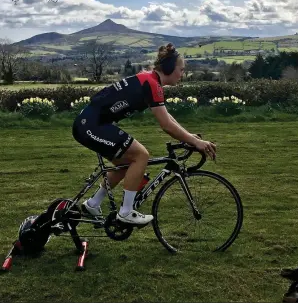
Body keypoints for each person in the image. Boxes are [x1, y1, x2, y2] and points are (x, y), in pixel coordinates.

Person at [72, 43, 217, 226]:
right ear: (170, 69)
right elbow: (166, 126)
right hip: (91, 125)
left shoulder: (150, 79)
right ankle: (125, 212)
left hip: (91, 124)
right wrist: (196, 143)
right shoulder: (152, 83)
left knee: (126, 163)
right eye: (181, 70)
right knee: (141, 155)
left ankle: (93, 203)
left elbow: (167, 117)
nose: (183, 74)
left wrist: (190, 137)